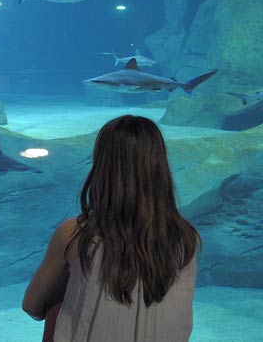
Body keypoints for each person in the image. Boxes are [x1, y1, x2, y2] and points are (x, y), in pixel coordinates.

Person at [22, 115, 201, 342]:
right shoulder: (187, 238)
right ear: (160, 167)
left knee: (60, 291)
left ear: (102, 167)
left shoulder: (75, 233)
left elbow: (31, 305)